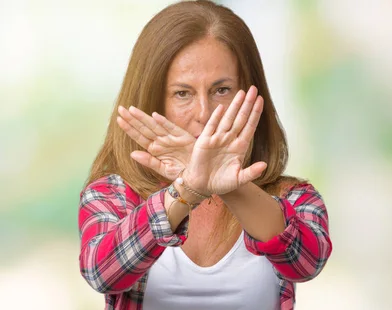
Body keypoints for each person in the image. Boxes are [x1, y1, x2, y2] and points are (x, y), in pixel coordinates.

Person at [77, 1, 332, 309]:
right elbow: (101, 273)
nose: (204, 113)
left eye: (221, 90)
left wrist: (229, 184)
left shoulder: (295, 198)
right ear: (153, 100)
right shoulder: (111, 195)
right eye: (182, 93)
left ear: (249, 94)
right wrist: (188, 189)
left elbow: (307, 262)